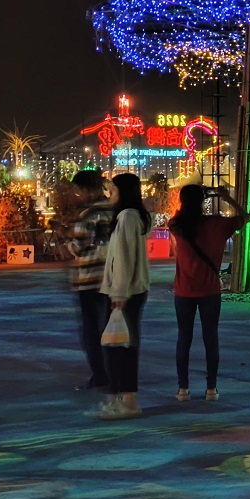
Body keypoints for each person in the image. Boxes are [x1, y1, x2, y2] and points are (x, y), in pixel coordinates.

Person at [169, 185, 250, 403]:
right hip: (210, 291)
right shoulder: (217, 224)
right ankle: (211, 389)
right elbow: (245, 216)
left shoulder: (177, 225)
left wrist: (194, 195)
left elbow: (176, 216)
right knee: (210, 338)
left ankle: (183, 390)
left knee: (183, 339)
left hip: (184, 291)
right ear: (203, 201)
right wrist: (225, 197)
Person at [99, 173, 152, 420]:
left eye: (113, 190)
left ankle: (128, 400)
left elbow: (123, 258)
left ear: (123, 192)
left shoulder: (127, 217)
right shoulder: (132, 217)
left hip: (125, 292)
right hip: (131, 290)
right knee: (121, 345)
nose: (110, 194)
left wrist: (118, 293)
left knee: (120, 347)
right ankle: (122, 398)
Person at [68, 170, 112, 391]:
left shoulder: (86, 215)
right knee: (112, 327)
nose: (78, 196)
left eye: (78, 191)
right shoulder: (114, 210)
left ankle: (99, 375)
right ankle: (116, 371)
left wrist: (67, 245)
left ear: (86, 189)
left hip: (89, 279)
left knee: (91, 330)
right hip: (113, 277)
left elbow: (78, 245)